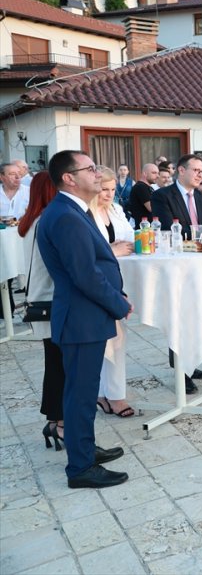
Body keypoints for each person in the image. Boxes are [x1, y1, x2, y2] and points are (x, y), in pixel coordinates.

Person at [36, 150, 132, 488]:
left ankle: (85, 449)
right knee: (80, 393)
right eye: (89, 169)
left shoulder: (74, 210)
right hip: (81, 317)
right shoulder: (65, 216)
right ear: (69, 178)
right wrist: (118, 304)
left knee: (82, 389)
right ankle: (80, 468)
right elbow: (85, 275)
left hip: (85, 315)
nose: (97, 174)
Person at [151, 154, 202, 393]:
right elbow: (170, 229)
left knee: (197, 313)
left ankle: (191, 361)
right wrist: (200, 236)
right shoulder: (161, 196)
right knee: (179, 316)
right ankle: (181, 369)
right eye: (197, 170)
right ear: (181, 171)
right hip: (176, 267)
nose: (201, 175)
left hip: (200, 265)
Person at [18, 173, 68, 457]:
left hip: (40, 298)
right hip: (50, 300)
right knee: (59, 365)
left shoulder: (31, 220)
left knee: (55, 363)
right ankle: (59, 423)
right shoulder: (47, 221)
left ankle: (53, 421)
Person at [90, 167, 136, 418]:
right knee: (106, 338)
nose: (108, 194)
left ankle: (112, 393)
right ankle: (108, 395)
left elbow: (129, 237)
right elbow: (86, 250)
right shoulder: (85, 212)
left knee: (117, 337)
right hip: (98, 280)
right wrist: (112, 250)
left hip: (121, 278)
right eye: (103, 189)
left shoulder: (117, 210)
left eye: (111, 189)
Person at [128, 163, 158, 227]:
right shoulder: (141, 187)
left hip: (149, 227)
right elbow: (151, 208)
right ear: (145, 174)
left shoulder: (149, 187)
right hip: (143, 229)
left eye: (157, 173)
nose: (157, 176)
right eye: (154, 173)